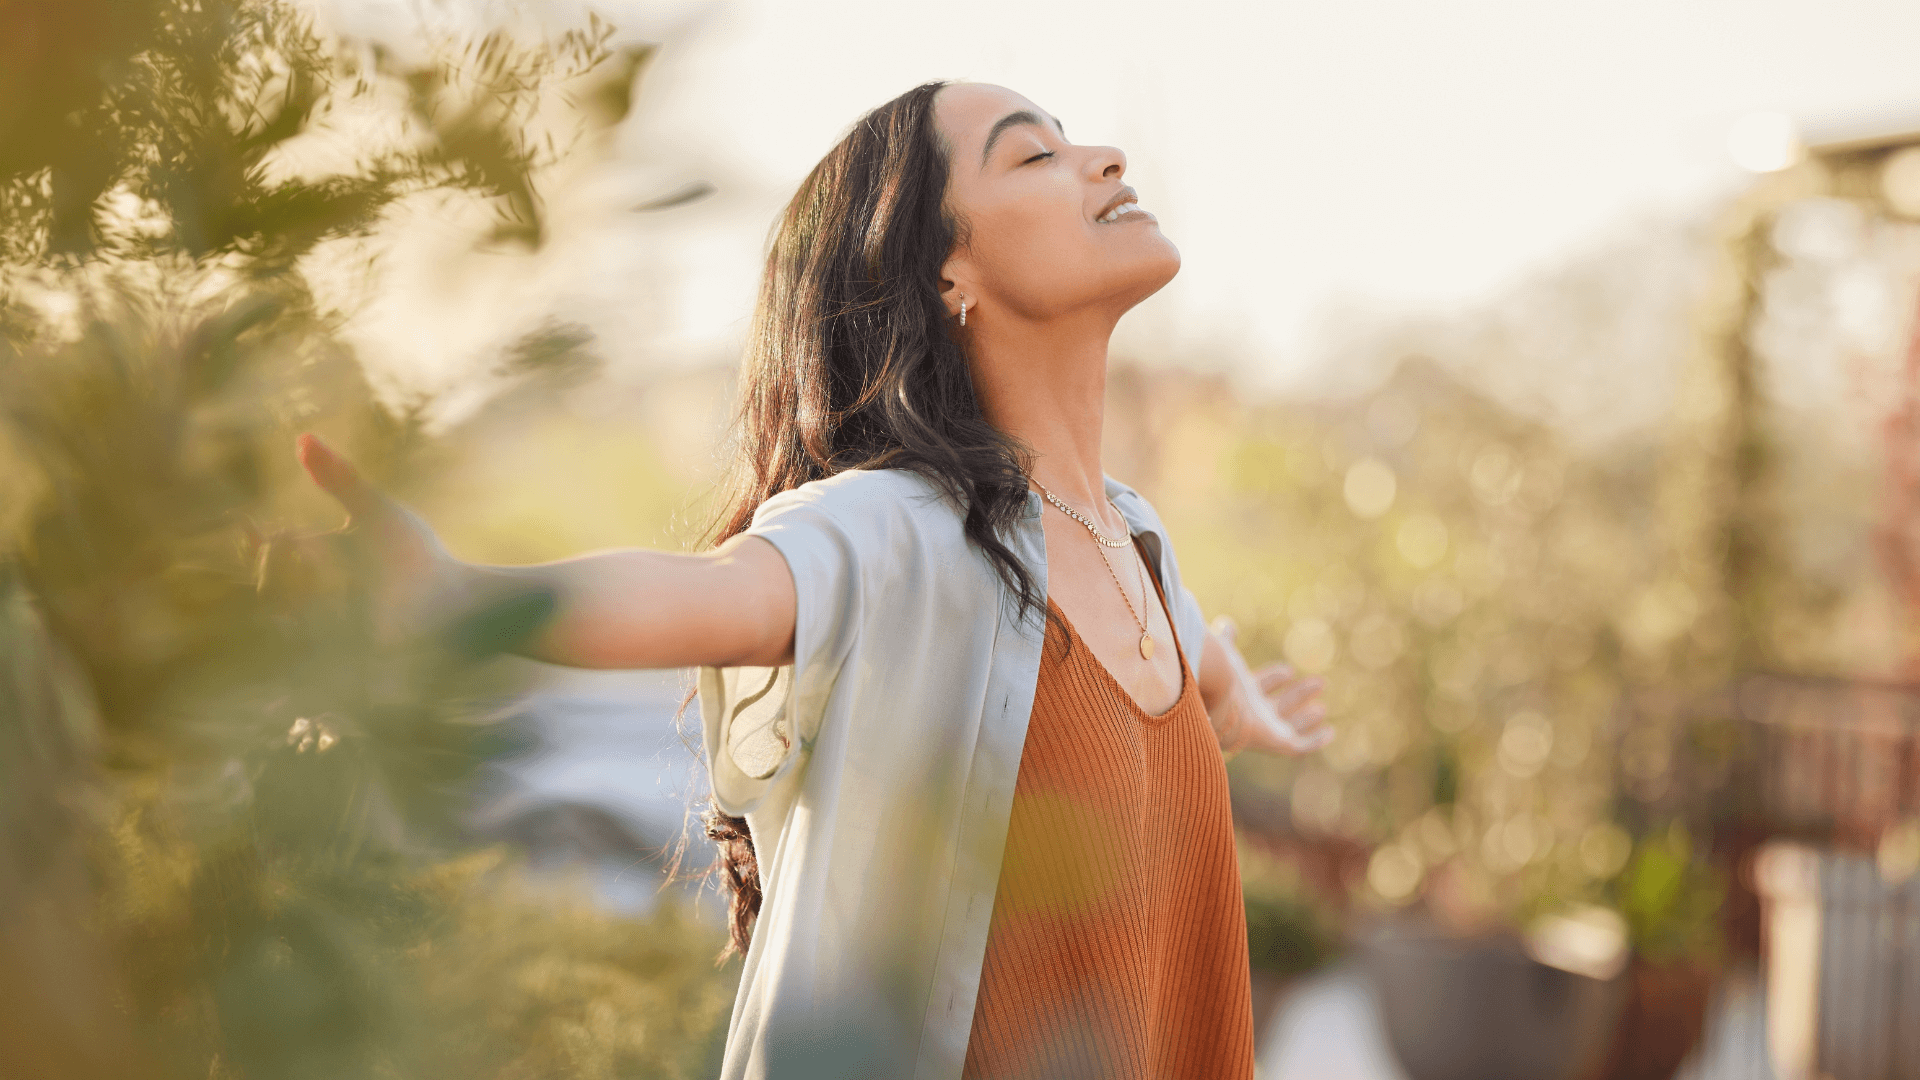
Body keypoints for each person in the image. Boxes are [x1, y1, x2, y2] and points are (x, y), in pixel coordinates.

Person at [298, 80, 1332, 1080]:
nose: (1104, 159)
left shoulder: (1136, 542)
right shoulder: (900, 528)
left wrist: (1229, 693)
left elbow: (1179, 653)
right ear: (948, 274)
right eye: (1034, 155)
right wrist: (460, 602)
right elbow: (718, 597)